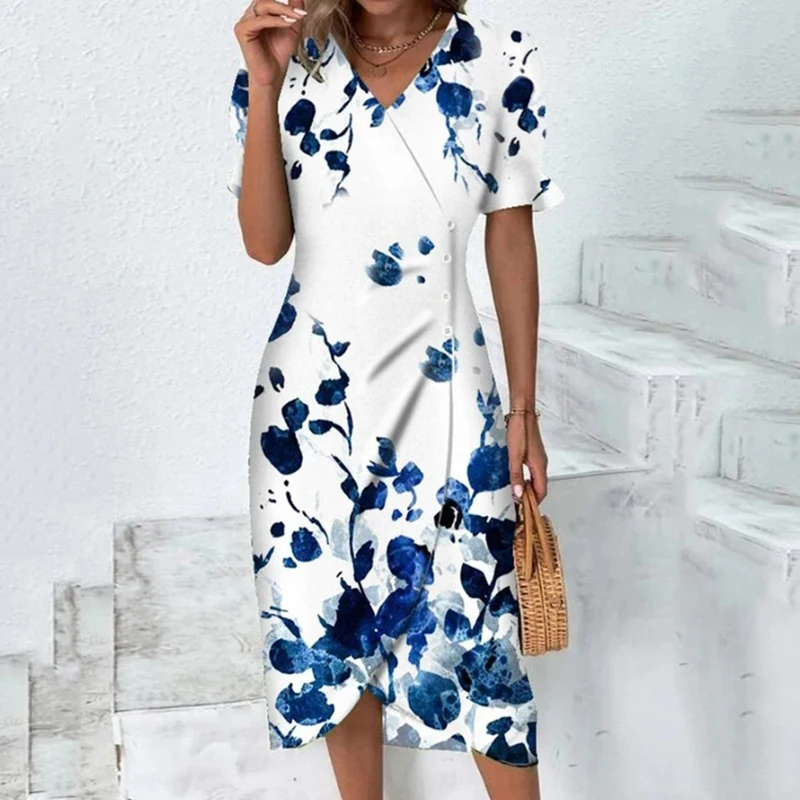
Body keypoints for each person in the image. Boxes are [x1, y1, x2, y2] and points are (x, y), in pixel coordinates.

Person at [227, 0, 565, 796]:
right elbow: (265, 245)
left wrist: (523, 411)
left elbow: (510, 237)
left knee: (481, 652)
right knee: (332, 639)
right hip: (310, 408)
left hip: (448, 404)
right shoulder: (287, 59)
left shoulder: (497, 56)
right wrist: (265, 82)